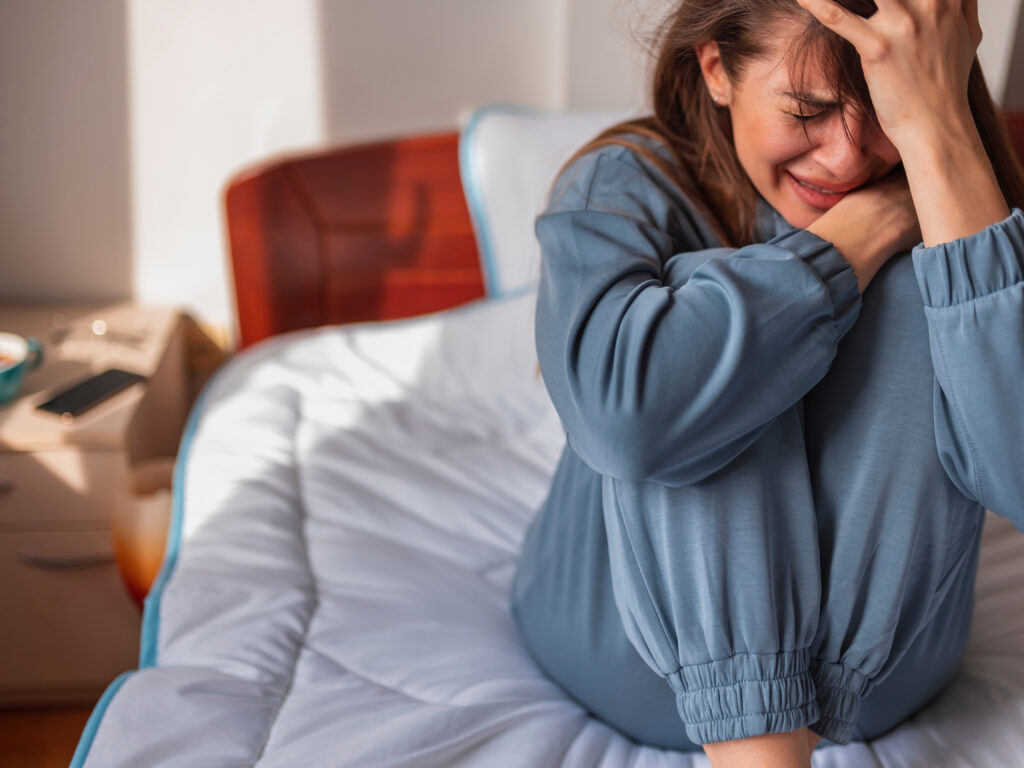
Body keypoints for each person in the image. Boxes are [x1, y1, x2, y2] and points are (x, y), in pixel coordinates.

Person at [510, 0, 1024, 766]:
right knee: (688, 338)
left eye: (886, 110)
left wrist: (938, 138)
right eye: (809, 110)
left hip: (876, 676)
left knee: (924, 291)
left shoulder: (960, 197)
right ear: (717, 68)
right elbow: (630, 416)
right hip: (620, 654)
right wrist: (865, 229)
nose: (849, 160)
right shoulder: (622, 185)